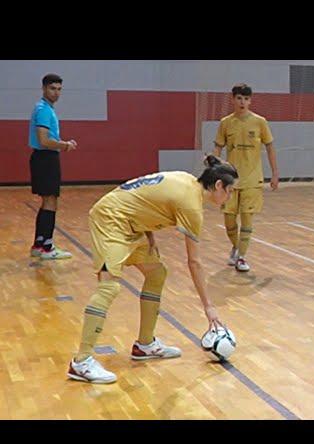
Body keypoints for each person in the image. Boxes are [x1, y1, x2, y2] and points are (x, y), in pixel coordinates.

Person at [67, 156, 238, 384]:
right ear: (218, 185)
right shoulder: (192, 206)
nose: (230, 196)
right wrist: (209, 308)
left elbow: (144, 197)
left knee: (157, 273)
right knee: (109, 287)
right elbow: (194, 262)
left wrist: (149, 233)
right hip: (112, 219)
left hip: (131, 223)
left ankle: (144, 345)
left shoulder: (186, 181)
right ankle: (81, 362)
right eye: (230, 190)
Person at [212, 83, 278, 272]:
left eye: (246, 99)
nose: (243, 102)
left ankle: (242, 257)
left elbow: (270, 147)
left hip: (252, 179)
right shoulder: (226, 123)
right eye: (239, 98)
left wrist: (274, 173)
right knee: (229, 221)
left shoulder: (260, 122)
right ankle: (236, 246)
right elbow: (218, 147)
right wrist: (214, 165)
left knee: (247, 219)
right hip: (230, 180)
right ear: (233, 99)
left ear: (250, 100)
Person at [29, 73, 77, 260]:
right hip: (45, 158)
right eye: (52, 88)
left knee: (48, 201)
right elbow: (44, 140)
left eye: (59, 89)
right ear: (44, 88)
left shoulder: (45, 108)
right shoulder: (43, 110)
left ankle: (39, 245)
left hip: (45, 158)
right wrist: (65, 145)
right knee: (51, 202)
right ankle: (47, 247)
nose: (56, 93)